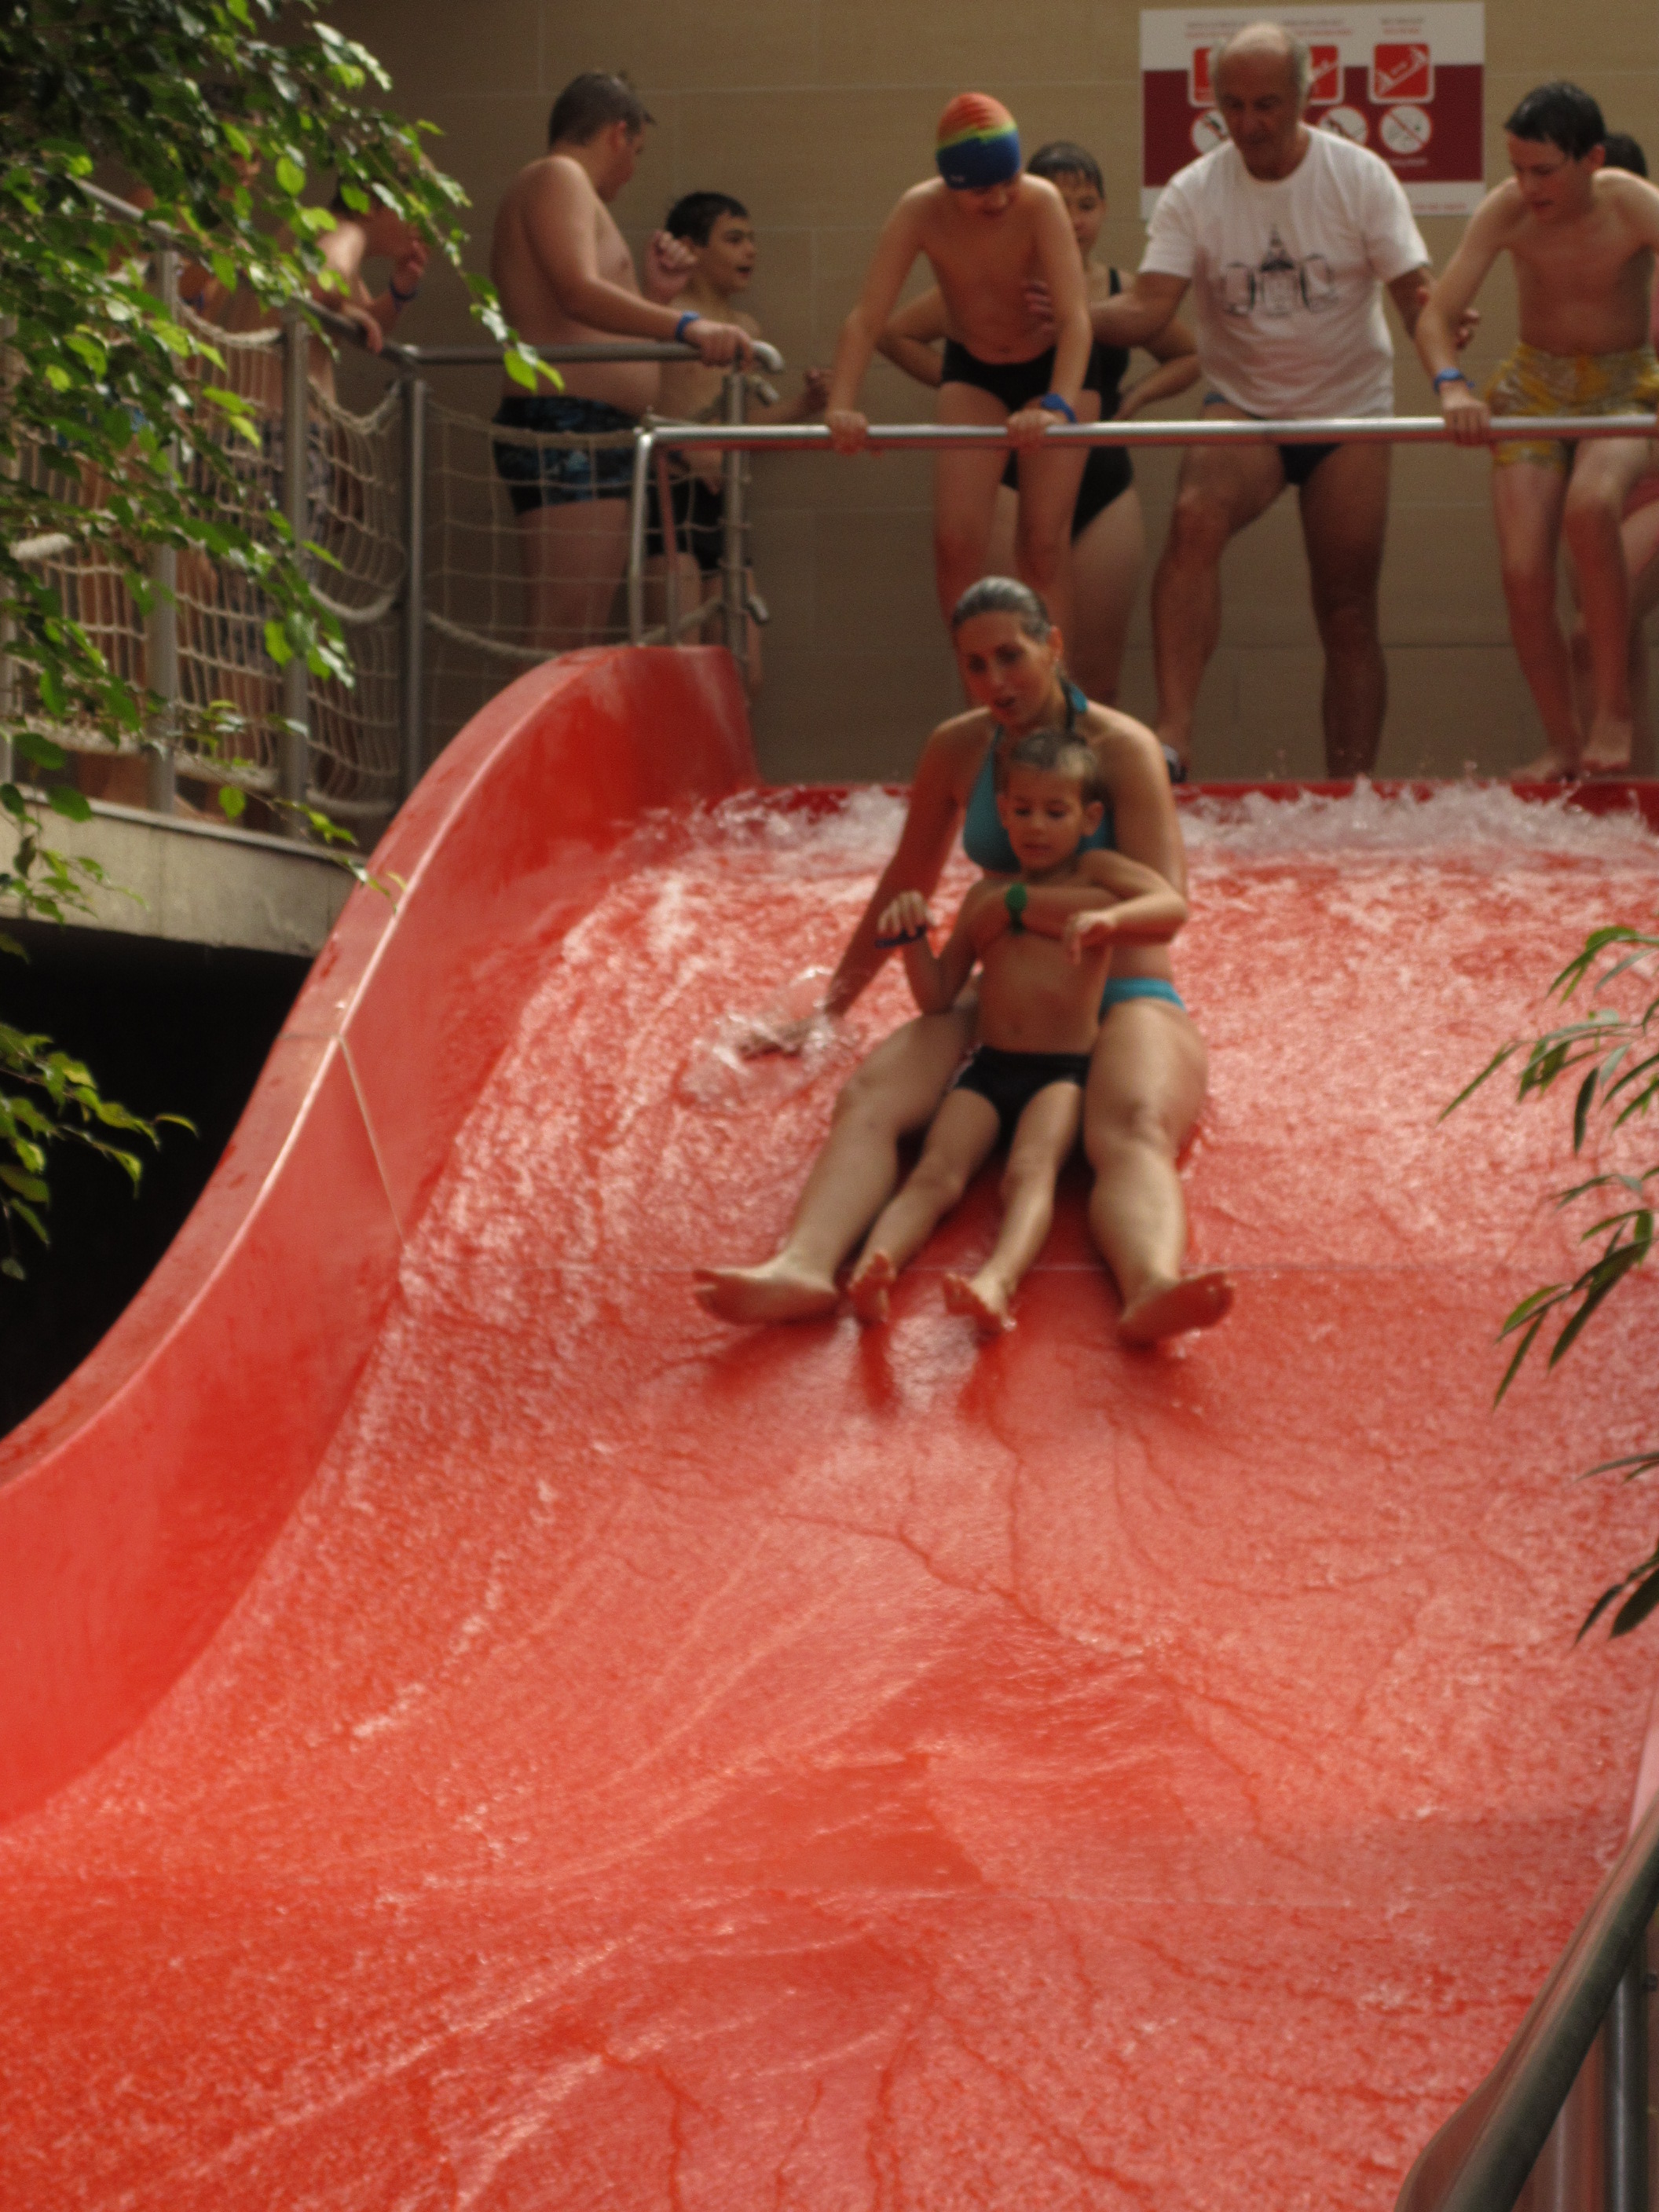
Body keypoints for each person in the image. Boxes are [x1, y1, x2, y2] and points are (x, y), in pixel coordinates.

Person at [694, 576, 1233, 1348]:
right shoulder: (959, 745)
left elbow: (1167, 904)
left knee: (1132, 1123)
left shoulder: (1122, 748)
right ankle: (804, 1264)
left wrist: (1012, 904)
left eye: (1010, 656)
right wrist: (831, 1009)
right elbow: (906, 882)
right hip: (1004, 995)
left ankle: (1151, 1282)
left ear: (1053, 645)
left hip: (1127, 991)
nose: (994, 681)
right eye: (974, 665)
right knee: (871, 1096)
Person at [1086, 21, 1442, 780]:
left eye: (1267, 105)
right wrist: (1068, 316)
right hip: (1244, 407)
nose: (1248, 124)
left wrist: (1447, 348)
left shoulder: (1359, 176)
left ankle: (1349, 789)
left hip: (1348, 413)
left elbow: (1419, 300)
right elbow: (1147, 309)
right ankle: (1174, 740)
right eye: (1233, 106)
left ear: (1304, 98)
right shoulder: (1195, 190)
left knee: (1347, 607)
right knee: (1192, 520)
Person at [846, 728, 1189, 1338]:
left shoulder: (1096, 872)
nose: (1037, 826)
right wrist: (911, 941)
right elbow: (938, 995)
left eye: (1055, 812)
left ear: (1089, 819)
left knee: (1029, 1173)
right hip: (990, 1067)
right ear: (1002, 812)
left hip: (1062, 1074)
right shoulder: (985, 895)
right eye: (1023, 810)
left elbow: (1170, 907)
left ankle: (998, 1282)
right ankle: (879, 1268)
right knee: (935, 1172)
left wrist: (1111, 919)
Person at [877, 139, 1199, 705]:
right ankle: (1010, 755)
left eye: (1087, 204)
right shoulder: (982, 281)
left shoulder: (1125, 292)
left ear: (1104, 210)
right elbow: (893, 332)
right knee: (1012, 673)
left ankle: (1075, 758)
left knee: (1096, 679)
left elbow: (1191, 354)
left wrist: (1136, 398)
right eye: (1062, 204)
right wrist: (968, 392)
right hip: (1012, 476)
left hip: (1102, 482)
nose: (1074, 219)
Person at [1419, 83, 1659, 779]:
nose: (1528, 187)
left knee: (1591, 507)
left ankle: (1612, 710)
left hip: (1622, 388)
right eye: (1518, 169)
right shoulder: (1507, 209)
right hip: (1534, 387)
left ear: (1593, 159)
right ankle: (1562, 740)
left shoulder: (1633, 203)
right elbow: (1437, 315)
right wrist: (1452, 385)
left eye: (1544, 172)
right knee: (1523, 573)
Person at [488, 73, 753, 652]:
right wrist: (687, 324)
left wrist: (656, 296)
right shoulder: (558, 176)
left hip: (592, 427)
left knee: (581, 626)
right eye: (638, 152)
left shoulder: (565, 187)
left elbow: (582, 312)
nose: (632, 171)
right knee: (563, 623)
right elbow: (576, 292)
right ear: (618, 134)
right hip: (566, 425)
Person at [823, 93, 1095, 643]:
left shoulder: (1040, 202)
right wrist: (841, 406)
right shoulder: (918, 211)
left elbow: (1075, 320)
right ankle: (979, 682)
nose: (999, 200)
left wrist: (1058, 407)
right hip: (974, 371)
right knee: (954, 546)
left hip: (1052, 372)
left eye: (1008, 182)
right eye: (980, 190)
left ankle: (1053, 685)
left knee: (1043, 547)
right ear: (949, 183)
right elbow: (868, 318)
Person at [646, 190, 830, 687]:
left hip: (724, 505)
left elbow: (743, 423)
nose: (751, 250)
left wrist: (807, 405)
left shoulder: (746, 328)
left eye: (751, 239)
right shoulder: (664, 315)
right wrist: (687, 450)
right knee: (679, 665)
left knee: (742, 669)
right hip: (670, 495)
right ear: (692, 248)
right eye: (734, 239)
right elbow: (635, 403)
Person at [1569, 131, 1659, 775]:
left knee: (1590, 638)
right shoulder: (1573, 275)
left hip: (1648, 479)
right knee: (1618, 643)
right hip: (1600, 482)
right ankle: (1637, 800)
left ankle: (1608, 801)